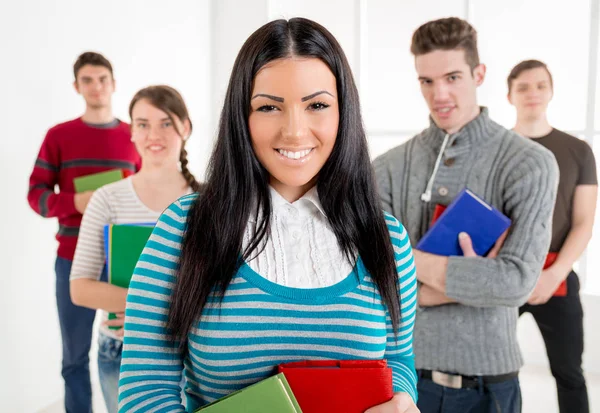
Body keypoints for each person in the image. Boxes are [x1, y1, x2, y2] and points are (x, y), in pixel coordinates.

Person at [117, 17, 419, 413]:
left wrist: (403, 400)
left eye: (317, 105)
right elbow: (145, 393)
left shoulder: (387, 238)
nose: (294, 131)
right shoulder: (184, 228)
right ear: (242, 117)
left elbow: (397, 359)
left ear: (343, 113)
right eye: (269, 107)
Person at [373, 17, 559, 413]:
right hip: (404, 384)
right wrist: (474, 281)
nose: (439, 94)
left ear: (479, 74)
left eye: (453, 77)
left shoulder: (532, 164)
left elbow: (516, 283)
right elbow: (374, 286)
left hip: (490, 387)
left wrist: (407, 263)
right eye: (426, 81)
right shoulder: (385, 168)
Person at [69, 85, 200, 412]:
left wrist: (146, 313)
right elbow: (80, 289)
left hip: (193, 353)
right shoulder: (107, 197)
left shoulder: (210, 202)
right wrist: (158, 310)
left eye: (165, 123)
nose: (153, 133)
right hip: (122, 350)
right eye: (142, 124)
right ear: (131, 132)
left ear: (186, 127)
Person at [27, 51, 140, 413]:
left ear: (114, 84)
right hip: (72, 259)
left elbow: (143, 191)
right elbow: (36, 195)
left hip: (122, 259)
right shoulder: (59, 136)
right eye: (88, 80)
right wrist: (76, 202)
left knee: (124, 352)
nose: (96, 87)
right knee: (74, 357)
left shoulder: (133, 136)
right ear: (77, 87)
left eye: (102, 79)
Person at [508, 59, 597, 413]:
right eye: (523, 87)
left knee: (569, 372)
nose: (533, 93)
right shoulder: (495, 148)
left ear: (551, 91)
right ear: (509, 94)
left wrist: (554, 274)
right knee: (491, 371)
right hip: (503, 274)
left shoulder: (578, 151)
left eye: (540, 85)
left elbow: (584, 222)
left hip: (557, 273)